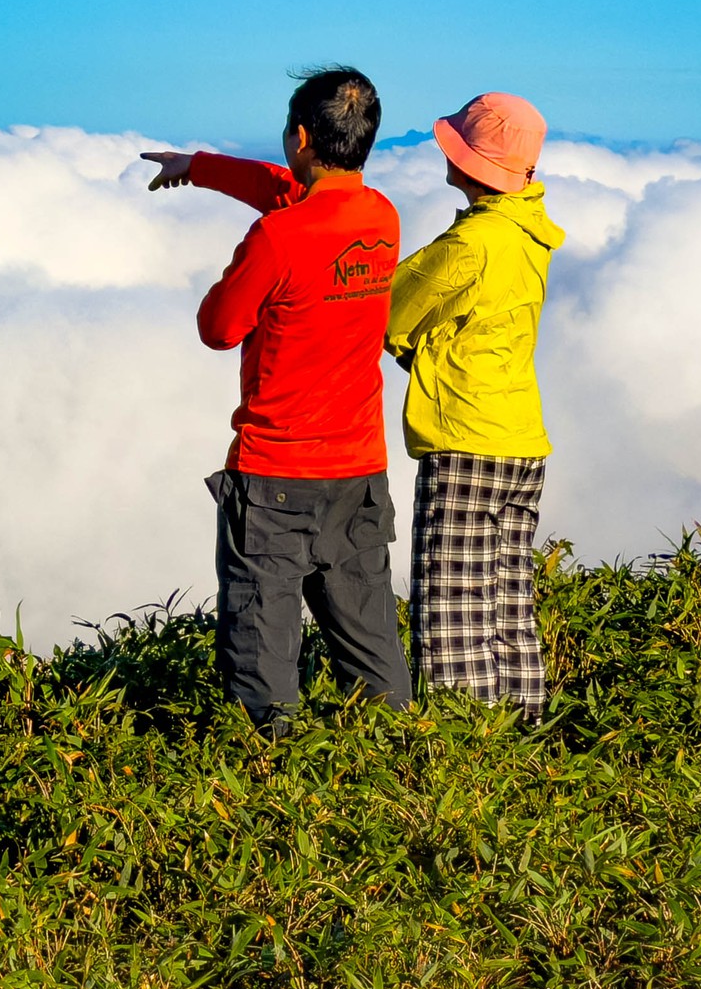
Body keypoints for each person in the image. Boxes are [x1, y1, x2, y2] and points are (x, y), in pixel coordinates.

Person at [141, 67, 411, 731]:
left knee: (263, 666)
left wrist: (231, 275)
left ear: (298, 135)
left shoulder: (278, 238)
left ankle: (272, 797)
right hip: (359, 476)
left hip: (275, 483)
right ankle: (407, 774)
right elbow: (285, 189)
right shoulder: (381, 219)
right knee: (372, 652)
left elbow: (218, 328)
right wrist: (197, 166)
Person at [383, 92, 564, 721]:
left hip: (464, 439)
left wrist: (412, 348)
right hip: (521, 440)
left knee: (452, 615)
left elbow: (389, 309)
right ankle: (528, 734)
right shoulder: (528, 235)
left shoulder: (471, 242)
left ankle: (472, 757)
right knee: (507, 604)